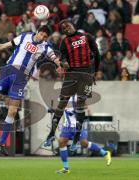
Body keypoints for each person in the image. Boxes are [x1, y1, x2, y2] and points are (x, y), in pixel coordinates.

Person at [0, 25, 60, 156]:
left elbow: (55, 58)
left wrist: (60, 65)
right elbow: (3, 46)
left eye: (45, 37)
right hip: (8, 71)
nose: (42, 38)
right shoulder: (24, 37)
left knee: (12, 111)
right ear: (38, 32)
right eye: (42, 34)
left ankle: (1, 143)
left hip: (21, 78)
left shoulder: (46, 47)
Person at [44, 19, 100, 149]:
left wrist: (95, 71)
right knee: (62, 103)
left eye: (67, 25)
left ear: (73, 25)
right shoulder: (64, 42)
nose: (66, 28)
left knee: (81, 106)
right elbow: (62, 59)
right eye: (63, 28)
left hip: (86, 75)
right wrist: (63, 64)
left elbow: (96, 53)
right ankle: (51, 134)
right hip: (71, 75)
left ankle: (76, 138)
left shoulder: (87, 37)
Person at [56, 96, 111, 174]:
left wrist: (79, 110)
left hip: (78, 125)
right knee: (61, 142)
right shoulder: (63, 95)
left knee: (84, 143)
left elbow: (85, 107)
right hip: (67, 126)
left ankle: (105, 153)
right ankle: (66, 168)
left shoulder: (77, 95)